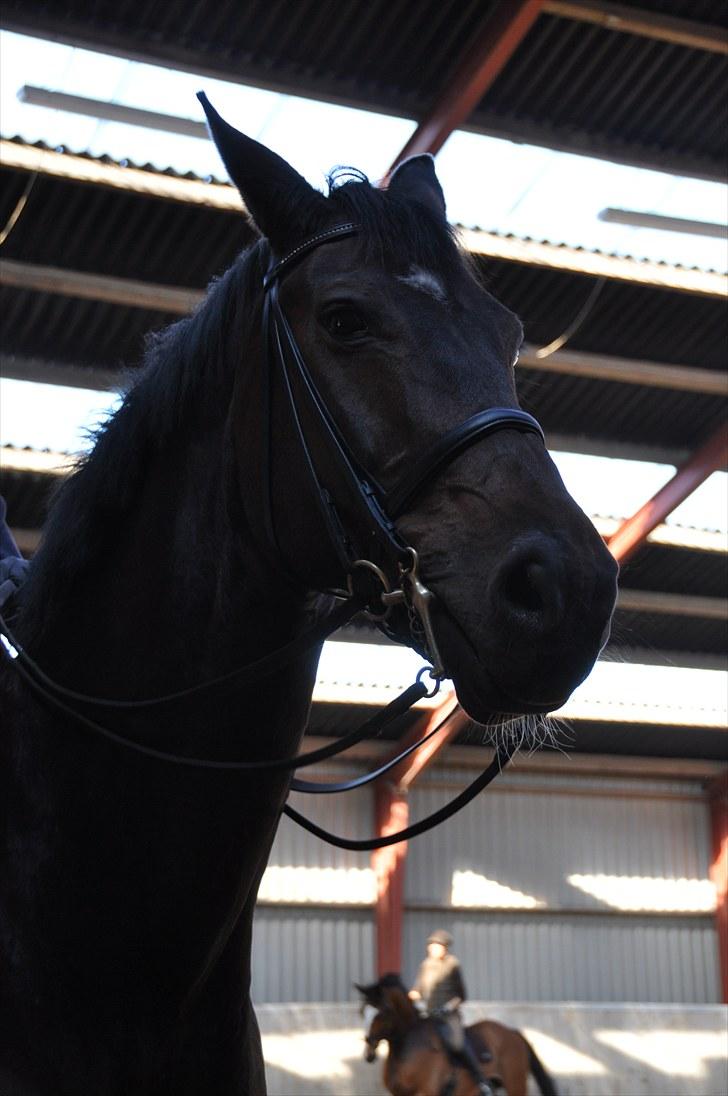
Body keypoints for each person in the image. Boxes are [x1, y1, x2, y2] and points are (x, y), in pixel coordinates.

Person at [409, 929, 492, 1096]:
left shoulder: (452, 964)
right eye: (430, 945)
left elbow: (461, 996)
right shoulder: (425, 965)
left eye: (436, 946)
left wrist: (448, 1007)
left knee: (458, 1044)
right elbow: (417, 989)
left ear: (444, 948)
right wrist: (412, 998)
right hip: (429, 1015)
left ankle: (481, 1080)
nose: (432, 949)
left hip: (449, 1016)